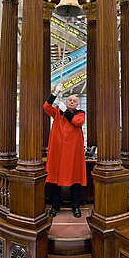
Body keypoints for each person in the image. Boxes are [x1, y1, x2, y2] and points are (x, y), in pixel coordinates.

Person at [43, 83, 87, 218]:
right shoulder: (57, 112)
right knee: (55, 179)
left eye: (75, 101)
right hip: (58, 152)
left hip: (74, 153)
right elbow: (46, 106)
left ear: (77, 104)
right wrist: (54, 93)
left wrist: (65, 110)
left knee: (76, 179)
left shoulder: (80, 114)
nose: (72, 102)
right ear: (66, 101)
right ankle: (55, 206)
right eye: (70, 100)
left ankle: (76, 206)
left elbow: (77, 122)